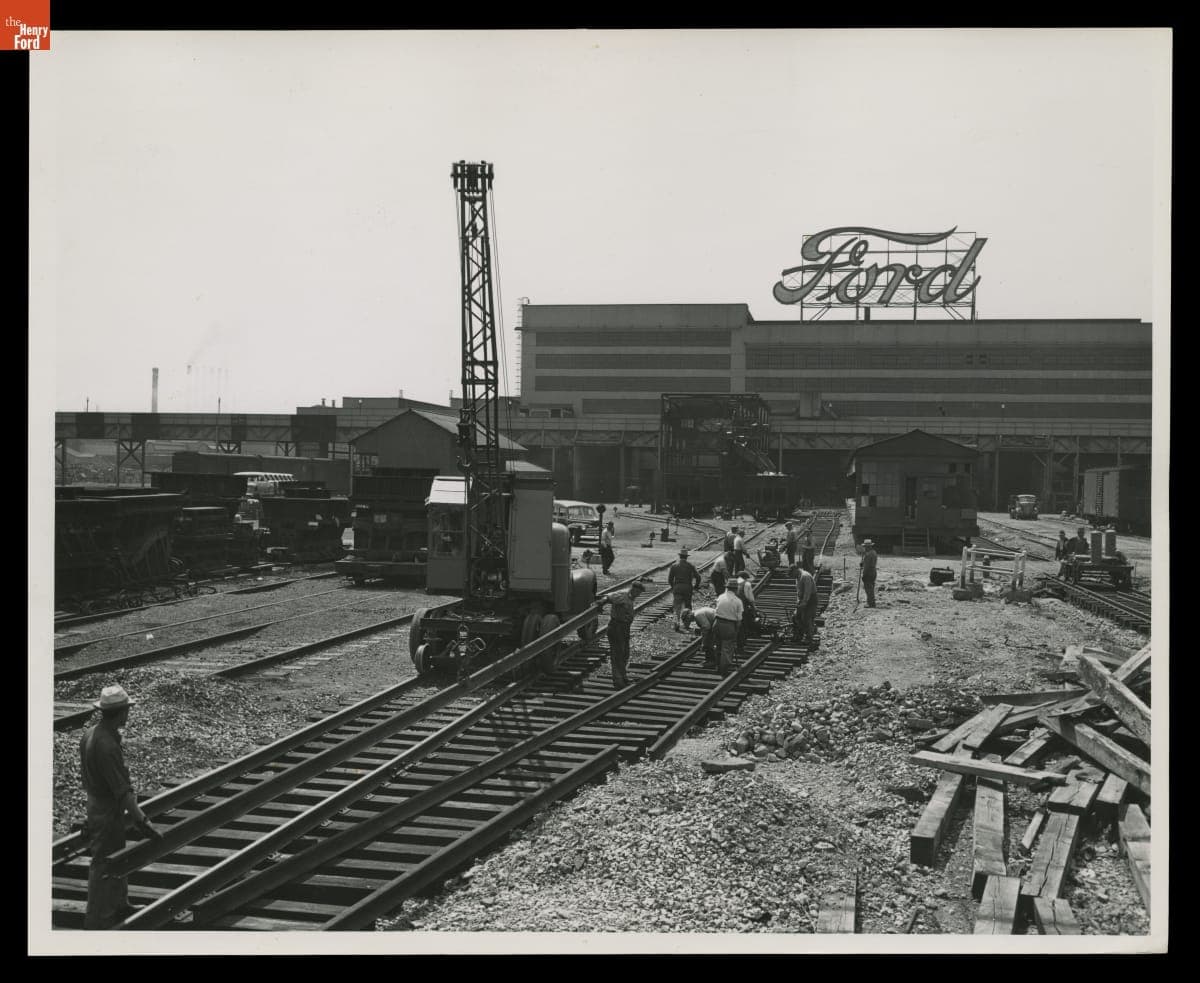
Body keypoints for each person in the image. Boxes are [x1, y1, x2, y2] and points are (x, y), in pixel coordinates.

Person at [80, 684, 161, 929]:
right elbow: (122, 791)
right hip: (105, 807)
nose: (129, 713)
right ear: (122, 712)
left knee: (116, 854)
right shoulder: (107, 745)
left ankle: (119, 905)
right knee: (104, 860)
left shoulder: (91, 733)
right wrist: (142, 821)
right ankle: (97, 920)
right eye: (127, 710)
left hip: (96, 802)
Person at [597, 582, 644, 688]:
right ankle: (618, 681)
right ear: (633, 589)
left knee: (625, 653)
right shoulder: (622, 594)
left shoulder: (630, 597)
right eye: (638, 592)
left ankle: (623, 677)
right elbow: (608, 597)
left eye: (640, 593)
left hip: (624, 628)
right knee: (617, 654)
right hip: (616, 627)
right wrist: (601, 603)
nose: (638, 595)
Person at [667, 546, 703, 631]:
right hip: (687, 588)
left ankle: (677, 624)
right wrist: (696, 586)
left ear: (679, 556)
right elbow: (698, 577)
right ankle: (687, 625)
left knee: (677, 607)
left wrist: (674, 587)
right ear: (686, 557)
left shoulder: (674, 566)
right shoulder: (690, 566)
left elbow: (670, 579)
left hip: (677, 588)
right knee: (687, 607)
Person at [713, 581, 744, 674]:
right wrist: (736, 633)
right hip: (729, 625)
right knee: (727, 647)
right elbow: (739, 620)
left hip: (717, 623)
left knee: (718, 646)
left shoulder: (720, 597)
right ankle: (724, 669)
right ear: (735, 589)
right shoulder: (738, 601)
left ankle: (717, 666)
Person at [794, 564, 818, 646]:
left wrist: (804, 603)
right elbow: (799, 591)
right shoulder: (797, 576)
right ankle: (801, 633)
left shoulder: (805, 576)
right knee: (796, 617)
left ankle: (809, 638)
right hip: (803, 599)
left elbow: (807, 592)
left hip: (811, 600)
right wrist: (798, 602)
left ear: (795, 570)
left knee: (806, 618)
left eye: (792, 575)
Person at [735, 573, 758, 655]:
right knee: (743, 626)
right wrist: (754, 608)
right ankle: (741, 645)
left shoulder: (733, 583)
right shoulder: (747, 584)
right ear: (745, 578)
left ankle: (736, 643)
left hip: (731, 608)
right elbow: (750, 598)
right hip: (741, 608)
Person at [860, 539, 878, 608]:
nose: (865, 548)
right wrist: (863, 563)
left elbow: (867, 566)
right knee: (871, 587)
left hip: (869, 573)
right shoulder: (874, 552)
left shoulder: (868, 554)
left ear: (868, 547)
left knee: (868, 588)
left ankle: (871, 604)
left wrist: (864, 574)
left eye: (865, 547)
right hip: (873, 572)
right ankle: (870, 602)